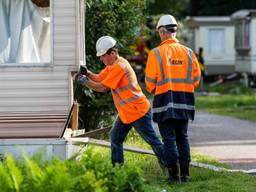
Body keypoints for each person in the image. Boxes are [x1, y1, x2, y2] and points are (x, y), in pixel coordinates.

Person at [78, 35, 165, 167]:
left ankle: (170, 164)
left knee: (152, 140)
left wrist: (84, 82)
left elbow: (102, 87)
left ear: (112, 53)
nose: (101, 59)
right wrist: (88, 74)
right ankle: (118, 170)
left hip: (137, 112)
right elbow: (100, 78)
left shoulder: (119, 67)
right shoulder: (112, 65)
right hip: (127, 113)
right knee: (115, 137)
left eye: (102, 56)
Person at [145, 15, 201, 183]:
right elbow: (196, 79)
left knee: (168, 139)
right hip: (185, 101)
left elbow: (149, 84)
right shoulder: (189, 53)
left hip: (164, 102)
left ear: (163, 32)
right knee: (182, 137)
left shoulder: (156, 53)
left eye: (159, 33)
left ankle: (173, 176)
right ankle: (185, 175)